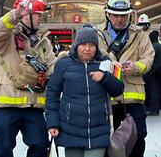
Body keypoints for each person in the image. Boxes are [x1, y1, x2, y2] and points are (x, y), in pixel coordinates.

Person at [0, 0, 56, 157]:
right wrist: (15, 15)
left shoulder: (43, 41)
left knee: (40, 145)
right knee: (1, 149)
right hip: (6, 105)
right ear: (27, 15)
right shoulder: (7, 36)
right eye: (38, 14)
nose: (41, 19)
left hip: (33, 105)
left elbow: (52, 67)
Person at [46, 24, 124, 157]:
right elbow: (52, 95)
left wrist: (104, 77)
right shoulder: (63, 64)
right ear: (76, 45)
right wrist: (53, 123)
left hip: (98, 130)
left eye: (92, 45)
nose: (87, 49)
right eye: (83, 44)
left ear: (96, 47)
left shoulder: (105, 62)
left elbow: (118, 89)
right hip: (71, 130)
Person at [96, 0, 155, 157]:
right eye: (115, 15)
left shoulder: (140, 34)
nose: (120, 19)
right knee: (107, 140)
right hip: (105, 97)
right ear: (107, 13)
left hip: (133, 97)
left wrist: (136, 67)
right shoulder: (96, 33)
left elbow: (149, 58)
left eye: (123, 15)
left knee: (138, 136)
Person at [144, 30, 161, 116]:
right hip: (159, 71)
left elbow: (150, 60)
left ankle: (153, 109)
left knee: (152, 91)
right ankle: (155, 108)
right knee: (156, 90)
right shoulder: (160, 46)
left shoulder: (152, 47)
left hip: (152, 72)